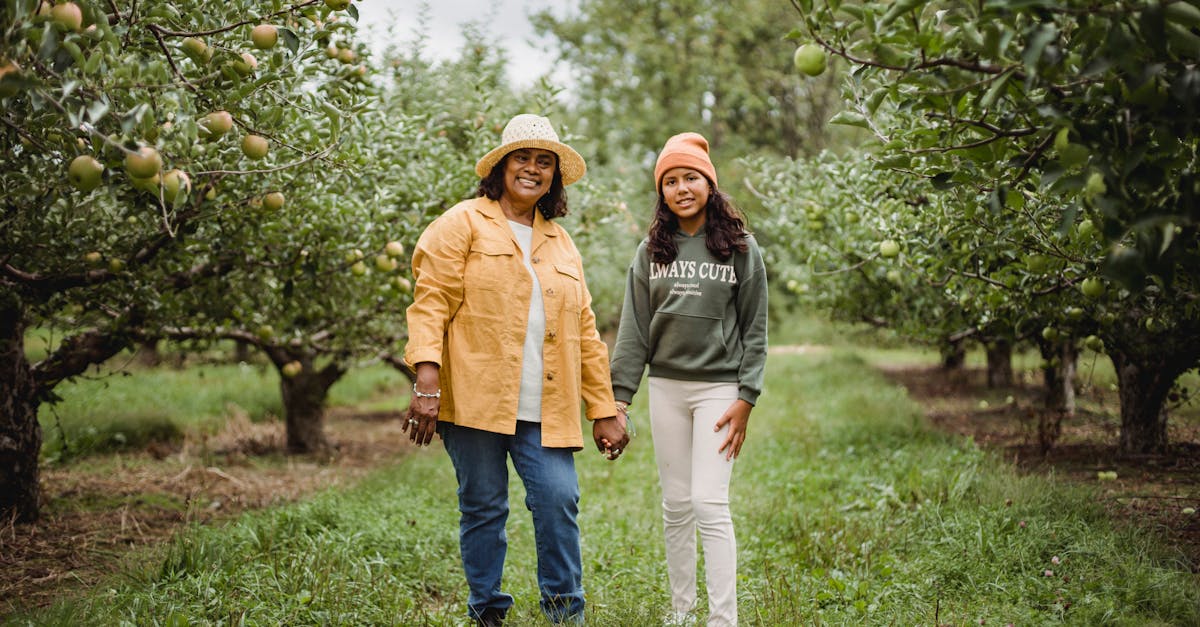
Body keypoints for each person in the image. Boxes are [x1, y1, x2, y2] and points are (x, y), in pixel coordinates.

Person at [403, 113, 630, 627]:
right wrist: (427, 385)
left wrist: (604, 408)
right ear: (502, 167)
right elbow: (429, 305)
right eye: (523, 158)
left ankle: (564, 613)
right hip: (476, 399)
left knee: (558, 500)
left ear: (554, 176)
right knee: (483, 507)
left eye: (543, 161)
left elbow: (586, 334)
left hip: (545, 405)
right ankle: (487, 611)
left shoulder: (561, 242)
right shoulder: (461, 223)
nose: (532, 169)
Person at [609, 132, 768, 627]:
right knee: (676, 503)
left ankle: (723, 620)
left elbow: (756, 327)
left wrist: (746, 397)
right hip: (667, 389)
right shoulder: (650, 251)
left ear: (709, 184)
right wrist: (619, 399)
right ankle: (681, 613)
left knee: (708, 501)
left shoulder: (741, 249)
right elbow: (634, 329)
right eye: (671, 181)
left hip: (719, 389)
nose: (681, 188)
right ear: (662, 193)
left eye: (691, 177)